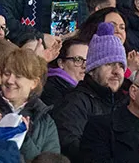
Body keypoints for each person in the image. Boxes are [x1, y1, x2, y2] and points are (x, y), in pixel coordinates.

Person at [52, 22, 129, 161]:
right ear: (92, 70)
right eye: (109, 64)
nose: (117, 71)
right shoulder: (74, 102)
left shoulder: (126, 103)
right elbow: (70, 147)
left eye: (121, 66)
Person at [0, 48, 61, 160]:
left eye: (18, 76)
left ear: (34, 83)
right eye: (6, 73)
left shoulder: (45, 121)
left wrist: (24, 139)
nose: (10, 80)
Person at [42, 38, 87, 106]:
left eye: (89, 59)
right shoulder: (51, 90)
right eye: (78, 60)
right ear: (61, 63)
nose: (85, 66)